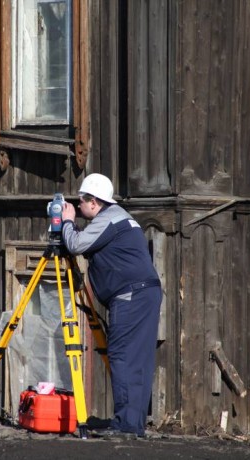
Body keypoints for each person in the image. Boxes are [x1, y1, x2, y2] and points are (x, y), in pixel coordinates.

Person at [61, 173, 162, 437]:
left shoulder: (109, 218)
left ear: (94, 202)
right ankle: (133, 424)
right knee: (138, 361)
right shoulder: (122, 218)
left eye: (80, 202)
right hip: (144, 294)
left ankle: (126, 425)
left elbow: (75, 244)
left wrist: (67, 222)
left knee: (122, 357)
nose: (79, 207)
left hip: (130, 296)